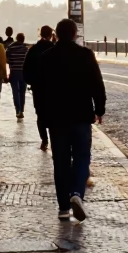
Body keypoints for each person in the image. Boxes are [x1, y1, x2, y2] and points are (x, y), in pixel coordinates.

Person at [31, 18, 105, 221]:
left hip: (56, 119)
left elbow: (39, 89)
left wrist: (42, 114)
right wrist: (100, 109)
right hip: (81, 116)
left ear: (57, 34)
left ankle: (63, 207)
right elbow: (97, 84)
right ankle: (77, 194)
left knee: (61, 161)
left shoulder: (46, 57)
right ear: (74, 34)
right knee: (82, 157)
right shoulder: (86, 55)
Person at [23, 25, 54, 148]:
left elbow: (26, 69)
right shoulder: (54, 48)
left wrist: (31, 82)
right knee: (53, 113)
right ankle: (53, 139)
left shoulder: (33, 49)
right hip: (52, 88)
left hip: (38, 87)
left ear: (40, 34)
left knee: (40, 114)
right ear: (51, 35)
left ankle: (44, 140)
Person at [5, 32, 29, 119]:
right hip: (23, 72)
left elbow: (6, 59)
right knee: (22, 92)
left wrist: (11, 63)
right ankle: (21, 110)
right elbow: (28, 62)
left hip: (14, 72)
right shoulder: (26, 49)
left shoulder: (11, 47)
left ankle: (17, 110)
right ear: (23, 40)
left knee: (15, 92)